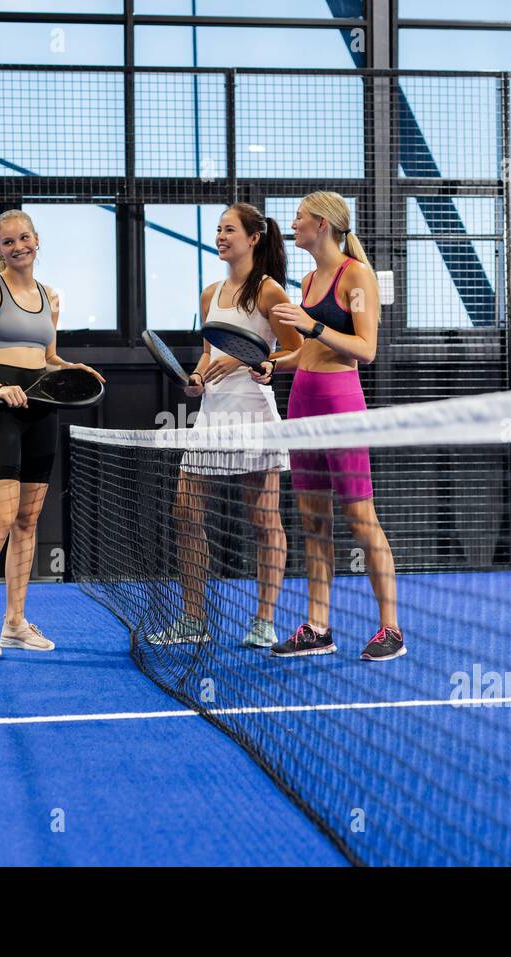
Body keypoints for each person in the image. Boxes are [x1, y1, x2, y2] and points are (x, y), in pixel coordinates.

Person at [0, 209, 104, 659]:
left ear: (37, 240)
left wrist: (71, 368)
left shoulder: (51, 297)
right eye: (7, 242)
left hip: (43, 411)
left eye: (24, 238)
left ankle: (14, 622)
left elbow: (47, 355)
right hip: (1, 410)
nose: (18, 247)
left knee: (28, 521)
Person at [256, 191, 404, 662]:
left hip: (341, 407)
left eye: (299, 217)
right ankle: (318, 627)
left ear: (321, 223)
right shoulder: (308, 278)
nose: (293, 224)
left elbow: (365, 348)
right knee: (314, 521)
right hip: (302, 404)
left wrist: (310, 324)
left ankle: (391, 630)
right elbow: (309, 352)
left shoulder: (355, 274)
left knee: (361, 519)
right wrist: (274, 364)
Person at [147, 203, 302, 648]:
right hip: (212, 417)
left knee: (263, 519)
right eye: (217, 230)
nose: (220, 236)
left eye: (229, 230)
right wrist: (197, 378)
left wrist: (257, 362)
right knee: (186, 513)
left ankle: (264, 621)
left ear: (254, 237)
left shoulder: (271, 292)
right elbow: (208, 353)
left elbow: (295, 352)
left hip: (254, 414)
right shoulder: (209, 293)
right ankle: (194, 621)